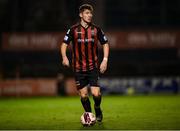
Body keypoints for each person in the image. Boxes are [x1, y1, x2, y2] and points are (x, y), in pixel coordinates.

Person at [60, 4, 109, 122]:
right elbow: (64, 44)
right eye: (87, 13)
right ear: (81, 15)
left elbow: (105, 44)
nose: (90, 15)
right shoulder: (73, 30)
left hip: (93, 67)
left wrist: (105, 60)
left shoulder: (96, 29)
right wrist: (64, 57)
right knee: (83, 95)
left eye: (90, 13)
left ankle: (97, 108)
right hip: (78, 68)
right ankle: (89, 115)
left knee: (96, 94)